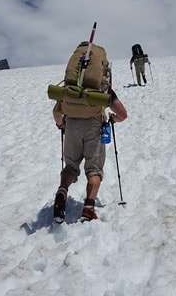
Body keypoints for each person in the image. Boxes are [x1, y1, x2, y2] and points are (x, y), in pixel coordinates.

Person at [52, 87, 127, 223]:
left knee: (70, 167)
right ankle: (88, 209)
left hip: (71, 126)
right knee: (94, 170)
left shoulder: (70, 86)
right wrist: (113, 119)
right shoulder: (102, 87)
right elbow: (122, 114)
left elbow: (56, 113)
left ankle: (62, 191)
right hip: (94, 127)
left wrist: (61, 126)